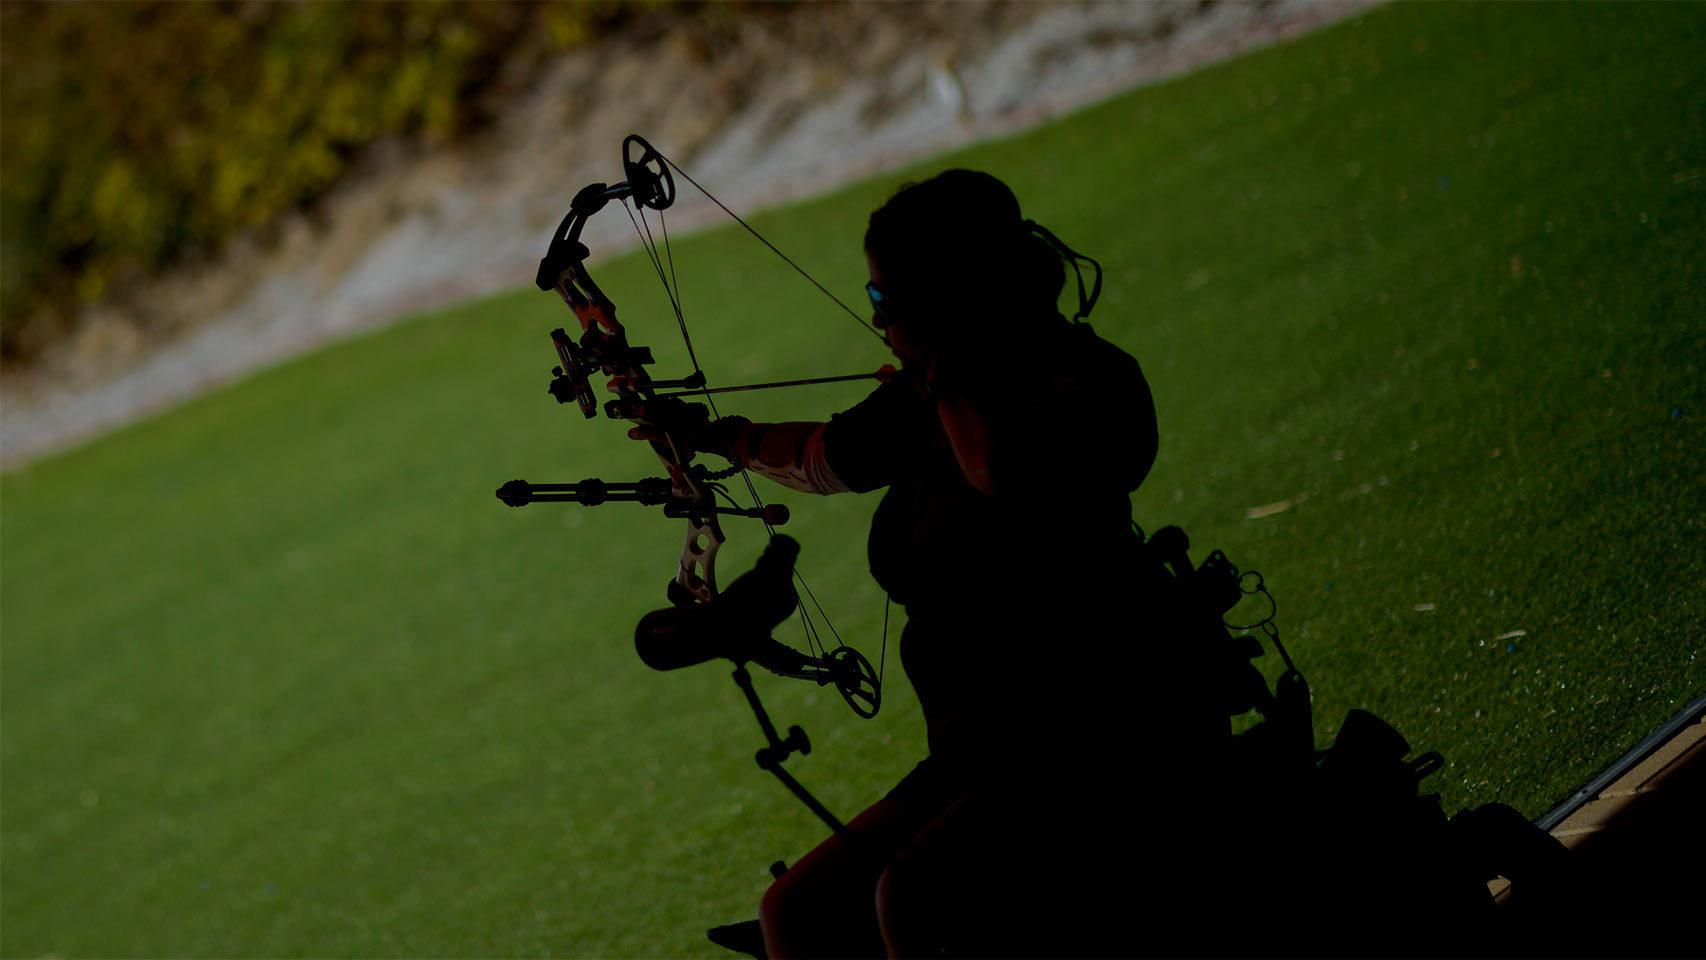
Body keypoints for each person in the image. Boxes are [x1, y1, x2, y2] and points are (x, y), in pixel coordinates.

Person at [690, 170, 1165, 957]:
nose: (876, 321)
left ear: (946, 297)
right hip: (981, 746)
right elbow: (823, 459)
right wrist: (719, 437)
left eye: (883, 301)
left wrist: (944, 370)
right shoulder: (935, 388)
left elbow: (1008, 476)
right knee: (794, 912)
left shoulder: (1088, 380)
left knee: (910, 897)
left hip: (1096, 727)